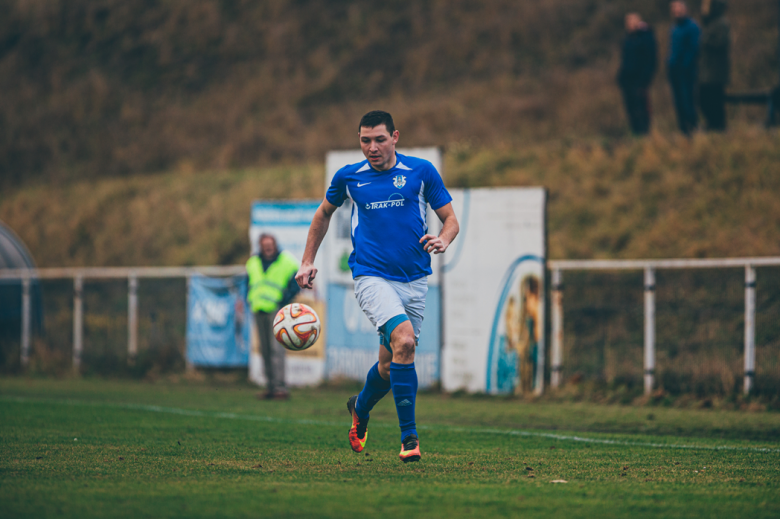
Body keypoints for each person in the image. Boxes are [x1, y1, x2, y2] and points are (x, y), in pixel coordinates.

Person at [295, 110, 459, 463]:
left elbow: (450, 219)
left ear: (395, 137)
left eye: (379, 139)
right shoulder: (349, 177)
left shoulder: (420, 172)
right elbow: (323, 213)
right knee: (405, 341)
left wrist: (444, 239)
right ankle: (409, 438)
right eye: (365, 140)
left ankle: (360, 407)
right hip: (371, 276)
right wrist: (307, 260)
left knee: (391, 364)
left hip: (414, 279)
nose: (372, 147)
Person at [246, 233, 300, 400]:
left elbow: (296, 283)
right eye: (265, 244)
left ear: (275, 245)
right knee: (265, 350)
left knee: (277, 350)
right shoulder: (253, 262)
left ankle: (280, 388)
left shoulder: (287, 261)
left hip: (276, 310)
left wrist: (284, 301)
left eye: (270, 244)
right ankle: (270, 387)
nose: (268, 247)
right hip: (258, 309)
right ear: (260, 246)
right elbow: (248, 283)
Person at [617, 13, 658, 135]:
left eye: (633, 21)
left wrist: (645, 79)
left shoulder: (645, 36)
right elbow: (624, 60)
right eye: (628, 22)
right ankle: (636, 134)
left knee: (642, 109)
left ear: (639, 22)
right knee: (631, 109)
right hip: (627, 81)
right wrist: (621, 77)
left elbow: (651, 60)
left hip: (640, 80)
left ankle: (645, 134)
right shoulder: (627, 38)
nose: (630, 24)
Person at [667, 1, 701, 135]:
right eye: (674, 9)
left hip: (687, 71)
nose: (677, 11)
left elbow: (694, 48)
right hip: (674, 70)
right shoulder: (674, 28)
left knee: (688, 101)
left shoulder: (692, 27)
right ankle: (683, 130)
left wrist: (685, 65)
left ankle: (693, 128)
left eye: (679, 9)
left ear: (685, 9)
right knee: (679, 102)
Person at [699, 0, 730, 131]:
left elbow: (721, 43)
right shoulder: (709, 24)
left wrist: (705, 41)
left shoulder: (721, 23)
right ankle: (712, 124)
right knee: (704, 98)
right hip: (707, 70)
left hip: (716, 70)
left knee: (715, 99)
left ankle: (718, 126)